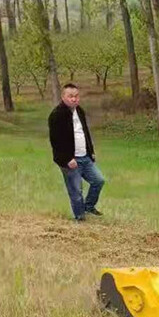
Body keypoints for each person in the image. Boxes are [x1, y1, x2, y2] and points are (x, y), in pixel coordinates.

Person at [48, 83, 105, 222]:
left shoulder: (79, 111)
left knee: (98, 180)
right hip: (70, 160)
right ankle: (80, 218)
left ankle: (89, 206)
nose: (74, 99)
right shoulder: (57, 115)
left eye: (76, 96)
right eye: (70, 96)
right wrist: (67, 159)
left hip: (85, 156)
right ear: (63, 97)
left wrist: (91, 151)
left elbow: (85, 133)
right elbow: (56, 141)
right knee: (76, 191)